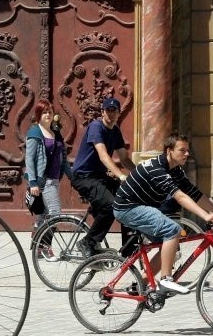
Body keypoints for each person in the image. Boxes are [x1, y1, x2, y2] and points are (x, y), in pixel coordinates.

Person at [113, 132, 213, 294]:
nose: (187, 154)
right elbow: (180, 197)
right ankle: (166, 280)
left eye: (187, 150)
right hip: (127, 208)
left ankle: (139, 285)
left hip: (142, 206)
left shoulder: (175, 170)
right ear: (169, 151)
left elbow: (194, 194)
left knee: (171, 247)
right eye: (182, 150)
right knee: (172, 230)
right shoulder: (157, 168)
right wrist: (205, 216)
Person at [70, 97, 136, 257]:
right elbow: (103, 156)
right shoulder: (96, 126)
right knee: (110, 206)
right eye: (108, 111)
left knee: (128, 198)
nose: (111, 114)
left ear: (119, 113)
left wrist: (139, 174)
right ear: (102, 112)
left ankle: (129, 250)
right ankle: (88, 242)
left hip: (99, 176)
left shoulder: (115, 131)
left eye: (115, 111)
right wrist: (120, 175)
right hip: (83, 176)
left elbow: (124, 158)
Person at [25, 98, 72, 229]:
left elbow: (63, 157)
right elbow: (29, 159)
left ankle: (38, 241)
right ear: (38, 115)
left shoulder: (56, 133)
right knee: (55, 213)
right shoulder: (34, 133)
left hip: (55, 179)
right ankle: (44, 246)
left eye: (50, 112)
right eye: (44, 112)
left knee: (44, 214)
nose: (47, 115)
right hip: (43, 181)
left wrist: (72, 177)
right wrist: (33, 182)